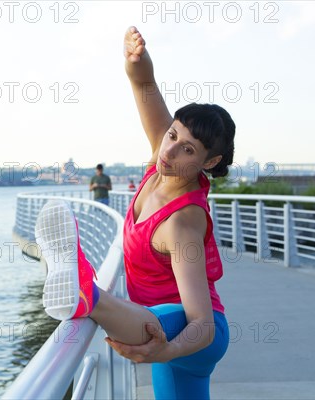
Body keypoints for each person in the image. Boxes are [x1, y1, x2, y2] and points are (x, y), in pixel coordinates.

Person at [35, 26, 235, 399]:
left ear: (211, 161)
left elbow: (202, 323)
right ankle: (79, 284)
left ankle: (85, 293)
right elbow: (145, 88)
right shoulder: (161, 163)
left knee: (153, 324)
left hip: (189, 335)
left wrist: (168, 350)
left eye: (188, 150)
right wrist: (136, 60)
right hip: (157, 325)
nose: (170, 151)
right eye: (172, 136)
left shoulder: (182, 222)